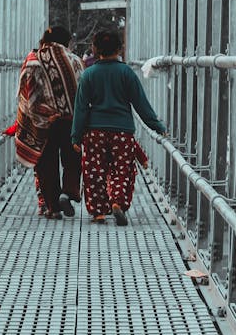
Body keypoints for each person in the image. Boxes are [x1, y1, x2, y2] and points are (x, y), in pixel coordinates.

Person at [71, 28, 166, 226]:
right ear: (120, 48)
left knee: (94, 171)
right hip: (122, 131)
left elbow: (80, 108)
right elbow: (140, 103)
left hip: (94, 130)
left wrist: (76, 136)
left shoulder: (88, 75)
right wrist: (157, 126)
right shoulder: (126, 73)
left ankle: (98, 211)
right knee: (121, 170)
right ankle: (117, 202)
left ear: (95, 49)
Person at [14, 26, 84, 219]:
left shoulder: (33, 61)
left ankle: (52, 206)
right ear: (67, 42)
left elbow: (27, 95)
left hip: (45, 122)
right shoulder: (76, 61)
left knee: (46, 163)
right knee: (72, 158)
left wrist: (43, 112)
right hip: (70, 120)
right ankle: (68, 191)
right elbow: (82, 93)